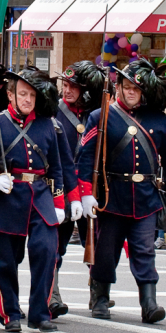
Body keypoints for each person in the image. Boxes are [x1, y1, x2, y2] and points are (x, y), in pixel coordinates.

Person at [78, 59, 166, 324]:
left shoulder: (156, 119)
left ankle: (149, 302)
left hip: (146, 197)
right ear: (118, 87)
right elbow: (85, 156)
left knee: (144, 251)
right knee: (106, 250)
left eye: (135, 89)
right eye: (126, 87)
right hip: (111, 195)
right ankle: (100, 296)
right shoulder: (101, 115)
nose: (130, 92)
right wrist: (85, 192)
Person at [0, 67, 65, 333]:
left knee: (47, 253)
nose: (27, 100)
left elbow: (55, 167)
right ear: (10, 95)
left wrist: (59, 203)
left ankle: (40, 313)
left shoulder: (47, 124)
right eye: (22, 94)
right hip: (8, 198)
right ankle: (9, 312)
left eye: (31, 95)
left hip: (41, 198)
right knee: (6, 261)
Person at [50, 61, 97, 316]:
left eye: (73, 86)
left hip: (89, 189)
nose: (67, 90)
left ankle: (98, 296)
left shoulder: (95, 114)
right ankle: (52, 296)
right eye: (65, 85)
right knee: (56, 245)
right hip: (63, 188)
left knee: (95, 245)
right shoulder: (54, 112)